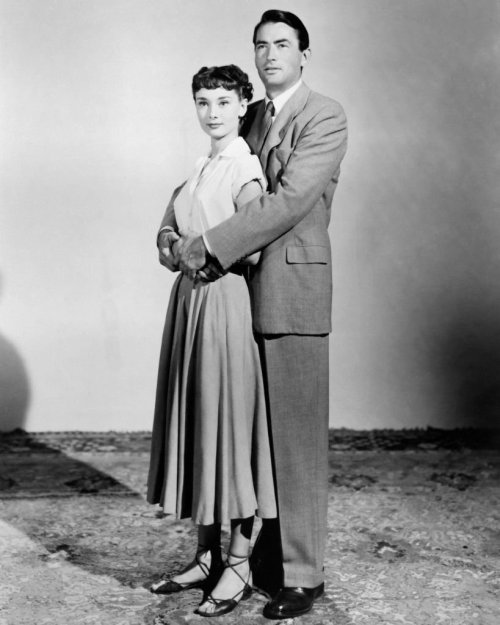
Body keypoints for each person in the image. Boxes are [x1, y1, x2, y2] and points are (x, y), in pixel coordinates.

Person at [175, 10, 348, 620]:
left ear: (305, 54)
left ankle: (304, 577)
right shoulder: (247, 116)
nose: (270, 54)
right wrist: (176, 231)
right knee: (255, 441)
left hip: (293, 291)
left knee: (296, 441)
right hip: (240, 294)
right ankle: (261, 562)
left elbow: (290, 201)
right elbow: (214, 180)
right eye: (261, 45)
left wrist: (209, 246)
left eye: (282, 44)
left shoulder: (324, 115)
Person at [147, 64, 277, 618]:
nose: (213, 112)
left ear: (243, 105)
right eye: (203, 102)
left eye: (224, 101)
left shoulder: (244, 171)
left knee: (230, 427)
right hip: (189, 305)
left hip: (224, 303)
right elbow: (163, 235)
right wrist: (175, 242)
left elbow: (254, 244)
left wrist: (194, 248)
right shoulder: (200, 166)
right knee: (201, 423)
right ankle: (206, 556)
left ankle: (241, 565)